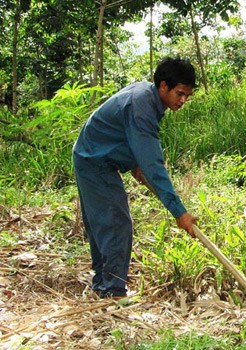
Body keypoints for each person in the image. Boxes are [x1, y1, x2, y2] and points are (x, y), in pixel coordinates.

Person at [73, 57, 198, 299]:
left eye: (187, 96)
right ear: (163, 86)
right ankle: (112, 290)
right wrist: (179, 212)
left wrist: (135, 163)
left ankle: (103, 283)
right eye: (180, 94)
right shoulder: (141, 105)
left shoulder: (149, 98)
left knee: (107, 221)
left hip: (97, 156)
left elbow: (132, 143)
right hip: (94, 160)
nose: (183, 101)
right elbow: (154, 166)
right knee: (115, 222)